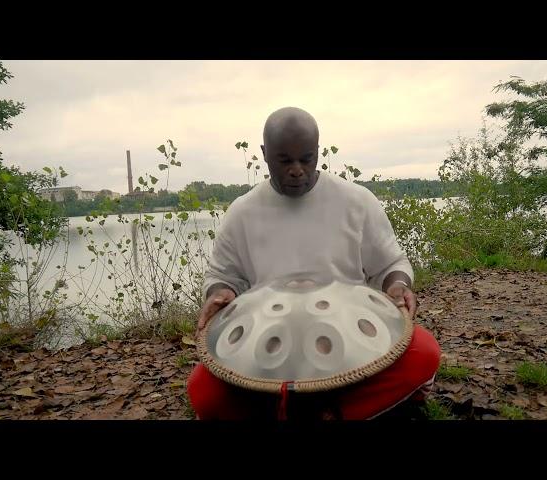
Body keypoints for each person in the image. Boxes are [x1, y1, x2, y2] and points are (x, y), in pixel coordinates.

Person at [187, 107, 441, 420]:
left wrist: (398, 286)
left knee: (425, 353)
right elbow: (223, 275)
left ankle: (330, 412)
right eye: (284, 160)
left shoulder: (356, 200)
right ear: (265, 154)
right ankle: (326, 407)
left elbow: (391, 264)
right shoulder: (242, 212)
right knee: (204, 392)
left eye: (306, 159)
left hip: (351, 346)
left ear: (318, 152)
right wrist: (220, 291)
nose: (297, 170)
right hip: (271, 350)